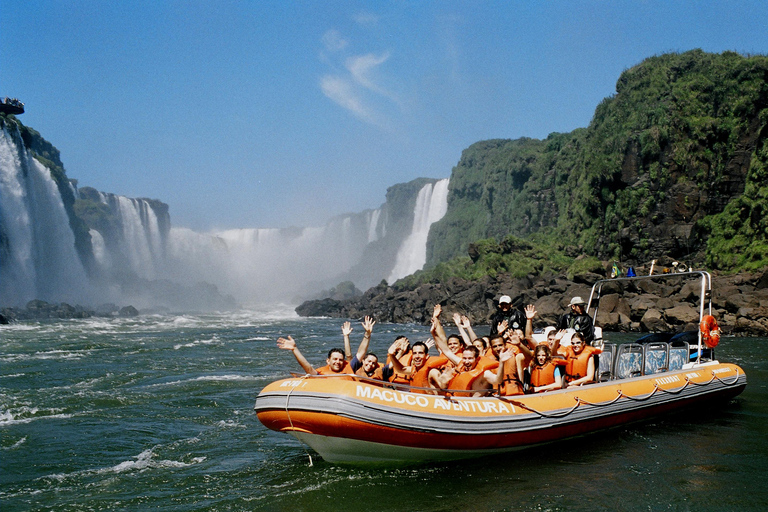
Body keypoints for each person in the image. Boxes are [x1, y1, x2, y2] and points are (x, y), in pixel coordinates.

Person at [276, 336, 354, 375]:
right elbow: (308, 368)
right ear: (328, 361)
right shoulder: (322, 373)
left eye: (340, 360)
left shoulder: (348, 367)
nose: (337, 362)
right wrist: (294, 349)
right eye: (335, 359)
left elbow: (350, 355)